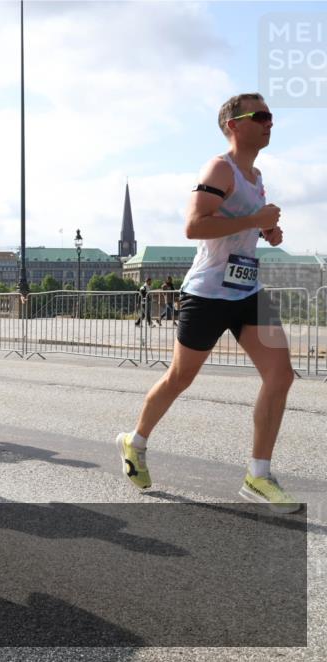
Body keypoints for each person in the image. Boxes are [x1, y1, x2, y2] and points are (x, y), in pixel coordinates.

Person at [116, 92, 300, 513]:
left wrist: (267, 232)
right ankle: (135, 441)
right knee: (180, 378)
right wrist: (255, 220)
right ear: (234, 124)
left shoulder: (255, 176)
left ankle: (258, 475)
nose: (270, 122)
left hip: (247, 291)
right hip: (207, 293)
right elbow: (195, 225)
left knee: (281, 375)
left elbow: (239, 225)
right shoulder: (220, 168)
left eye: (271, 115)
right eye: (261, 115)